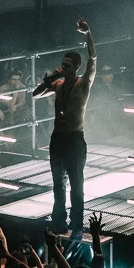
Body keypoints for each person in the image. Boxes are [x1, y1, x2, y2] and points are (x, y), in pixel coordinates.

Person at [43, 18, 96, 234]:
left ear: (76, 67)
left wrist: (87, 34)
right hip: (58, 138)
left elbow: (93, 57)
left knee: (76, 184)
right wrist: (50, 81)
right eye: (62, 64)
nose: (64, 67)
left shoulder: (83, 83)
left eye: (67, 65)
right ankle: (58, 221)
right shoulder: (59, 84)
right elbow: (36, 95)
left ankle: (76, 224)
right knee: (58, 183)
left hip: (74, 138)